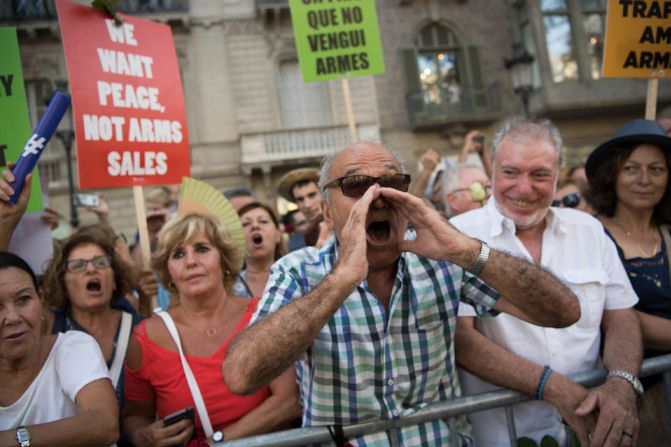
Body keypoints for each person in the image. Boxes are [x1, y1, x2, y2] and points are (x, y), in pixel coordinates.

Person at [223, 141, 581, 446]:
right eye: (356, 184)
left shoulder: (441, 262)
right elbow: (241, 375)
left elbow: (563, 312)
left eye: (391, 182)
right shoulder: (299, 271)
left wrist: (466, 250)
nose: (377, 198)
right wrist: (340, 280)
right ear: (326, 212)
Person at [451, 117, 642, 447]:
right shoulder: (459, 235)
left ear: (557, 173)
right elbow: (461, 338)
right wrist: (554, 387)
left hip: (595, 430)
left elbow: (621, 315)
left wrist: (622, 383)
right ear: (492, 170)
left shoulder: (589, 230)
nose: (524, 188)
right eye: (511, 173)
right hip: (503, 434)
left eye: (540, 174)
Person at [124, 212, 300, 445]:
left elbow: (288, 401)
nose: (190, 261)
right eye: (178, 254)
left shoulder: (263, 314)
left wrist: (215, 442)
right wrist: (142, 436)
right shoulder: (144, 338)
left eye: (202, 249)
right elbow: (136, 415)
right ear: (168, 275)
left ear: (224, 261)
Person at [586, 118, 671, 445]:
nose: (644, 179)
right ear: (612, 175)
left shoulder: (667, 233)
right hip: (639, 401)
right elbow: (611, 313)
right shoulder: (591, 234)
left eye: (657, 169)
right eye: (631, 168)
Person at [0, 251, 119, 446]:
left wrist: (14, 439)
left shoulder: (72, 347)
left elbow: (105, 423)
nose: (13, 317)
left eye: (23, 300)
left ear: (41, 300)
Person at [42, 224, 141, 445]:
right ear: (63, 282)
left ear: (115, 278)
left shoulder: (142, 330)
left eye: (100, 262)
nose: (90, 270)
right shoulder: (47, 327)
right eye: (77, 265)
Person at [234, 202, 287, 298]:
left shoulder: (296, 275)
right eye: (245, 224)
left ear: (278, 235)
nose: (255, 226)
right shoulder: (228, 287)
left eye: (263, 221)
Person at [277, 167, 330, 249]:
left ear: (323, 194)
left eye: (312, 195)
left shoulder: (342, 225)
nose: (307, 205)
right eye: (300, 199)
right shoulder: (294, 244)